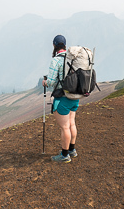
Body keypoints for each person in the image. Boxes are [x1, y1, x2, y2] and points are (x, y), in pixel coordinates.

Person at [42, 35, 79, 163]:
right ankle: (71, 150)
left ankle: (64, 155)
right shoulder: (72, 58)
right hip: (75, 96)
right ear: (65, 45)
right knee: (71, 123)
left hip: (63, 97)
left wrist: (45, 82)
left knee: (64, 127)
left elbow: (51, 83)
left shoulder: (56, 61)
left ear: (54, 45)